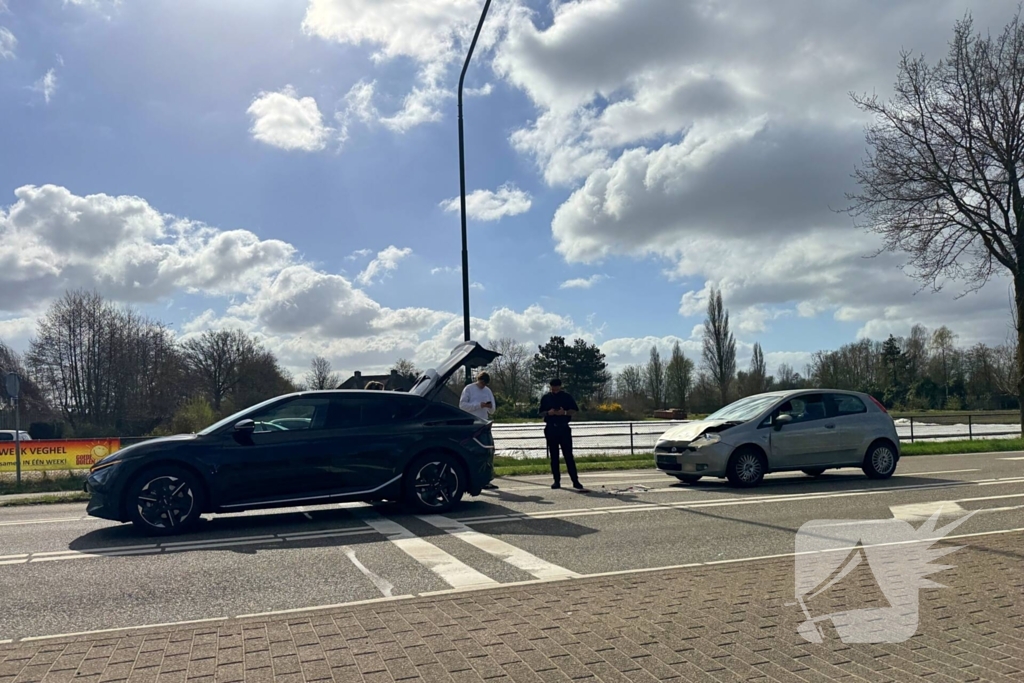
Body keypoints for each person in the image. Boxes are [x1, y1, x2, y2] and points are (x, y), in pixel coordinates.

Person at [539, 378, 584, 490]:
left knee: (568, 456)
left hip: (564, 428)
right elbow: (540, 412)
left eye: (557, 387)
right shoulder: (546, 398)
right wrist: (548, 413)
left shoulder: (567, 397)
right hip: (551, 428)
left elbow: (574, 410)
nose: (555, 389)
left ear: (560, 386)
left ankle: (575, 481)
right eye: (553, 387)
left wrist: (564, 412)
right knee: (554, 457)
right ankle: (556, 481)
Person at [459, 372, 500, 489]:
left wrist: (488, 406)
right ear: (478, 380)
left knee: (488, 451)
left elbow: (493, 410)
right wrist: (479, 405)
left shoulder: (488, 391)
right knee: (472, 451)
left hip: (484, 424)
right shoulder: (469, 389)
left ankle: (487, 478)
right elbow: (462, 406)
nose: (483, 386)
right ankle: (472, 477)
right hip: (471, 424)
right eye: (482, 383)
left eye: (485, 384)